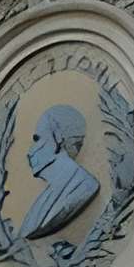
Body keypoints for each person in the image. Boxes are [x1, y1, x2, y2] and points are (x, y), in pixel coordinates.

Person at [19, 101, 99, 239]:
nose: (29, 152)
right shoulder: (51, 193)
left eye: (37, 139)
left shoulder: (84, 186)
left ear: (58, 137)